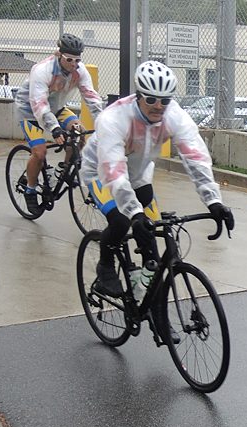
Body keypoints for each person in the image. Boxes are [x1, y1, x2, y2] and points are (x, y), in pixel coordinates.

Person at [80, 60, 233, 300]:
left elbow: (196, 158)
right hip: (101, 173)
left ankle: (148, 302)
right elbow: (114, 171)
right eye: (151, 99)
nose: (158, 106)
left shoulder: (175, 117)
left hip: (139, 176)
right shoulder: (114, 119)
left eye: (165, 100)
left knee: (152, 244)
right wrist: (134, 213)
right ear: (138, 96)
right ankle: (105, 266)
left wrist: (213, 201)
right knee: (121, 221)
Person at [14, 33, 105, 216]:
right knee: (39, 152)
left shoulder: (80, 71)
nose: (74, 64)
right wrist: (54, 129)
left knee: (79, 135)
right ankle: (31, 189)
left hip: (57, 108)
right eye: (69, 59)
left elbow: (91, 97)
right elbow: (39, 105)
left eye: (77, 60)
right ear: (59, 54)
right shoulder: (42, 70)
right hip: (29, 110)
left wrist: (104, 123)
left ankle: (61, 172)